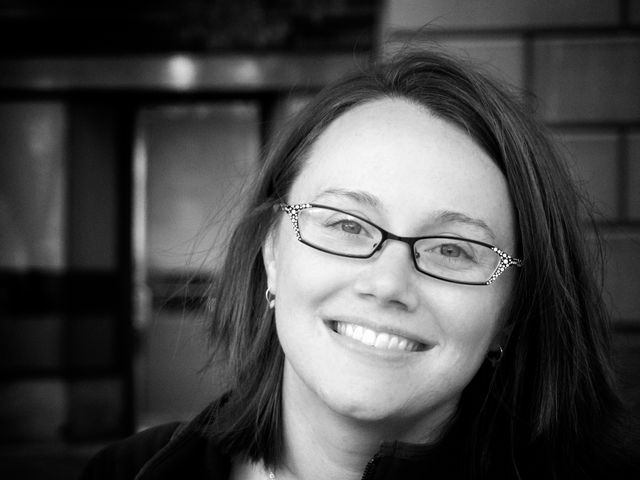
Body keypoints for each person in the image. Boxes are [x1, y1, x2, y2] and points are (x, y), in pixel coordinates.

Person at [81, 50, 638, 479]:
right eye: (347, 225)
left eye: (451, 249)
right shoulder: (127, 473)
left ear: (510, 310)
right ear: (272, 254)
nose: (388, 283)